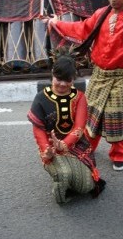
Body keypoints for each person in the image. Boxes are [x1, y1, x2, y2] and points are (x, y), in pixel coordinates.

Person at [47, 0, 123, 171]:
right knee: (91, 114)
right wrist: (56, 23)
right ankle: (88, 147)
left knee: (115, 116)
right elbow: (80, 29)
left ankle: (119, 154)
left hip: (121, 76)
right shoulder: (101, 14)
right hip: (99, 75)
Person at [28, 52, 105, 203]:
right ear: (52, 75)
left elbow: (79, 127)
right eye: (59, 79)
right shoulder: (41, 98)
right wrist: (47, 150)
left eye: (67, 80)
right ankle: (60, 195)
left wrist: (64, 144)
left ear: (73, 79)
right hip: (50, 146)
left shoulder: (79, 97)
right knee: (64, 174)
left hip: (76, 145)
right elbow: (38, 129)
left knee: (86, 187)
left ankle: (69, 177)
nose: (62, 84)